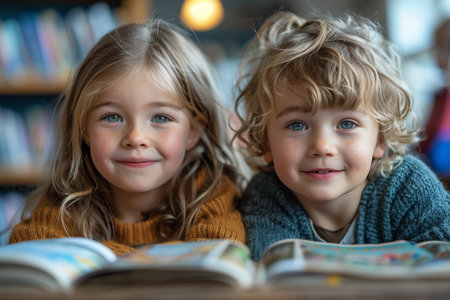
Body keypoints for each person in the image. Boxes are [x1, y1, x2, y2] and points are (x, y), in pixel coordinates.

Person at [8, 19, 246, 256]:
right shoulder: (66, 202)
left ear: (193, 131)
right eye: (112, 117)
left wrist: (93, 257)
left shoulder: (211, 192)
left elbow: (216, 251)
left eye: (161, 118)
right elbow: (30, 247)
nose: (136, 137)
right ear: (84, 129)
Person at [233, 11, 450, 261]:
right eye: (296, 125)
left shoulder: (408, 188)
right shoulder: (268, 194)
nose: (322, 146)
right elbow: (270, 271)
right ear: (265, 140)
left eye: (347, 123)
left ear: (380, 139)